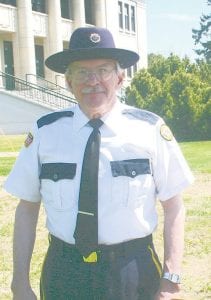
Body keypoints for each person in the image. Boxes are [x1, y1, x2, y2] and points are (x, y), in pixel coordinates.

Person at [4, 27, 194, 300]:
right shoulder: (46, 132)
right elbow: (26, 208)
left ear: (119, 78)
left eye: (104, 70)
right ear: (68, 82)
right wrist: (19, 282)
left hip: (133, 270)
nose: (93, 80)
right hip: (64, 270)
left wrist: (171, 278)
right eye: (82, 71)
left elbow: (174, 207)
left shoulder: (150, 129)